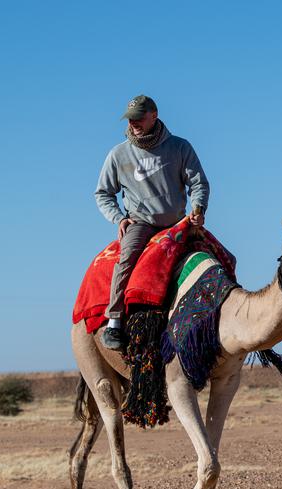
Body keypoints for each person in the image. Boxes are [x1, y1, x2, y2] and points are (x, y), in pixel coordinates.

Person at [94, 95, 209, 351]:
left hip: (177, 223)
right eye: (130, 119)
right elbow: (102, 193)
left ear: (154, 115)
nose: (134, 123)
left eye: (139, 118)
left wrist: (198, 209)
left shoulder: (179, 147)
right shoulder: (119, 153)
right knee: (127, 257)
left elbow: (198, 182)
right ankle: (114, 321)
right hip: (141, 223)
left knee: (218, 257)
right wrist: (119, 218)